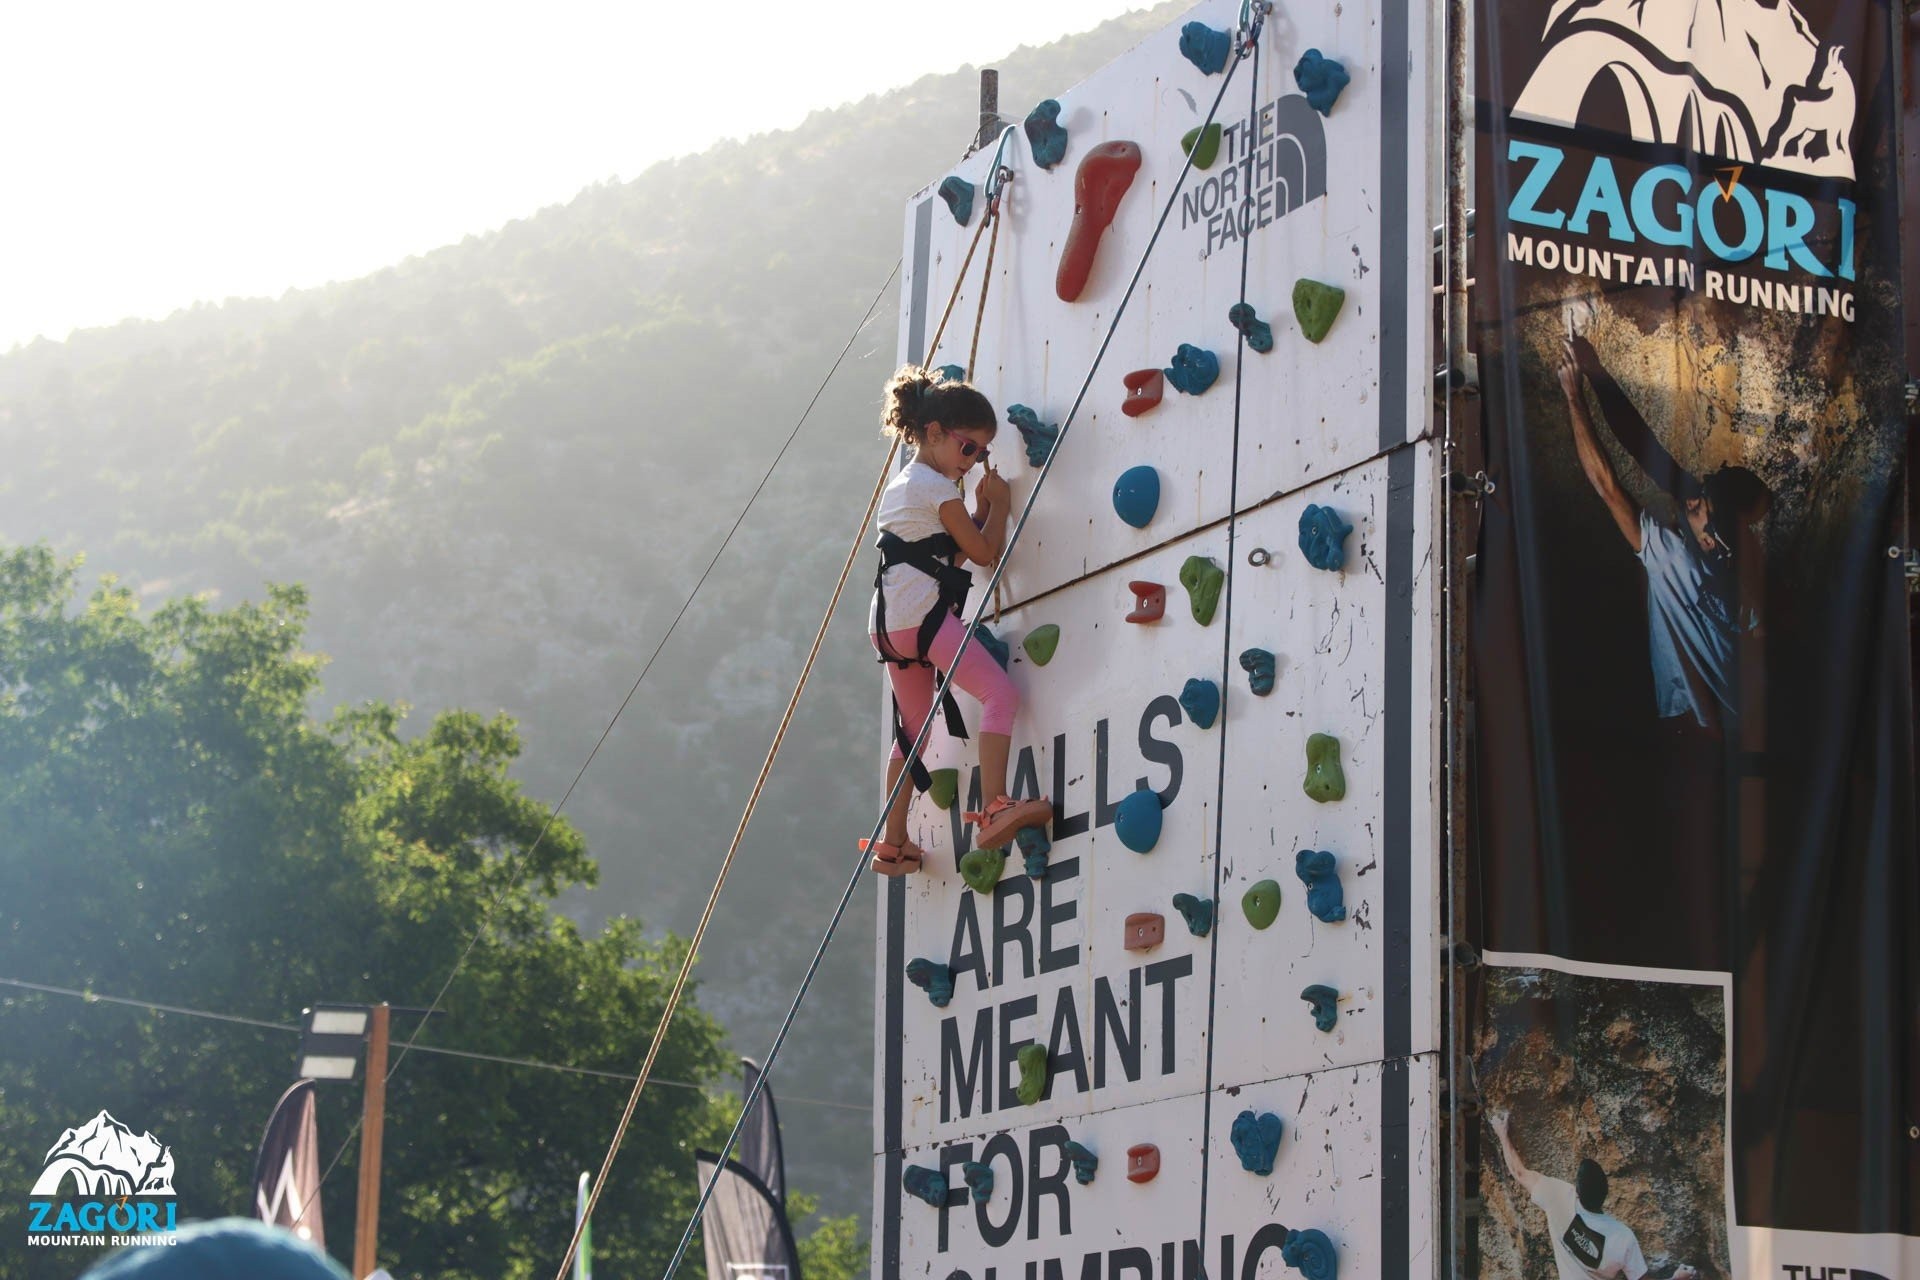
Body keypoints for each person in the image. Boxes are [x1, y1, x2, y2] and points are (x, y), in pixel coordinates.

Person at [863, 365, 1051, 875]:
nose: (971, 463)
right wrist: (998, 505)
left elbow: (945, 559)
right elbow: (985, 552)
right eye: (968, 449)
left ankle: (894, 843)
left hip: (891, 626)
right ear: (934, 434)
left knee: (913, 733)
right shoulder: (936, 488)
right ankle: (995, 807)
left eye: (981, 454)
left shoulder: (905, 486)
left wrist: (978, 508)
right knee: (1000, 695)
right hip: (923, 621)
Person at [1555, 335, 1770, 735]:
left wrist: (1574, 398)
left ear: (1709, 541)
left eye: (1700, 505)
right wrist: (1597, 370)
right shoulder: (1738, 558)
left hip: (1694, 729)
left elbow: (1606, 485)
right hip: (1742, 728)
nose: (1691, 502)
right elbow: (1643, 445)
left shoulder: (1671, 556)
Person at [1490, 1110, 1698, 1280]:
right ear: (1605, 1194)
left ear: (1578, 1192)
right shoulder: (1622, 1237)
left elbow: (1519, 1172)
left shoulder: (1559, 1197)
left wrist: (1502, 1133)